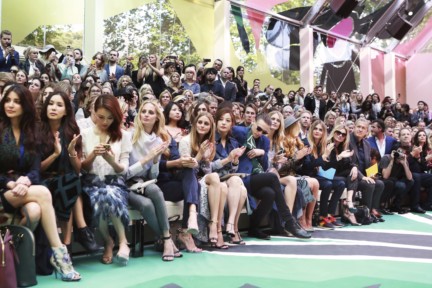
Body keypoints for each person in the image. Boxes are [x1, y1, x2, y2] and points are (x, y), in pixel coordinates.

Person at [0, 84, 80, 281]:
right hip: (4, 188)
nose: (10, 105)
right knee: (44, 193)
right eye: (7, 100)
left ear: (25, 105)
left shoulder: (32, 132)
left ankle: (15, 257)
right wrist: (10, 183)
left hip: (22, 189)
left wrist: (26, 180)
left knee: (35, 210)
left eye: (17, 101)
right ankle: (61, 257)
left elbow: (35, 170)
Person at [232, 114, 311, 239]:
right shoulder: (239, 131)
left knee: (270, 193)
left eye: (264, 131)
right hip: (240, 176)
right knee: (273, 178)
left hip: (256, 177)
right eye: (258, 129)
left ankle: (254, 228)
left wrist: (262, 152)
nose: (260, 133)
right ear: (253, 122)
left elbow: (263, 166)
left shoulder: (265, 141)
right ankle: (288, 221)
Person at [39, 90, 99, 253]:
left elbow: (78, 168)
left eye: (59, 105)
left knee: (70, 182)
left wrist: (72, 151)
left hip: (66, 180)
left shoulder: (72, 131)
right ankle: (79, 232)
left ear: (66, 110)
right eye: (50, 104)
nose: (53, 108)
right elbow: (36, 169)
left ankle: (67, 244)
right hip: (42, 182)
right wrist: (55, 154)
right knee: (71, 184)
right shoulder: (37, 130)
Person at [127, 100, 182, 261]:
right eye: (143, 111)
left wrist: (156, 160)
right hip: (125, 184)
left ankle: (165, 239)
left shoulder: (158, 141)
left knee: (156, 190)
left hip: (143, 183)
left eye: (151, 112)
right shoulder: (129, 136)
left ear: (157, 118)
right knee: (146, 204)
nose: (146, 115)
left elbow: (153, 177)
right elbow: (124, 174)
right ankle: (167, 240)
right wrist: (146, 159)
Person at [80, 95, 131, 266]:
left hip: (115, 182)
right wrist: (93, 154)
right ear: (93, 113)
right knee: (100, 196)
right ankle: (110, 240)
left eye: (110, 118)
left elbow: (124, 168)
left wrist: (111, 161)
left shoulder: (124, 135)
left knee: (109, 193)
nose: (105, 122)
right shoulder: (85, 134)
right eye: (101, 117)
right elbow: (83, 168)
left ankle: (122, 241)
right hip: (91, 182)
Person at [179, 112, 227, 247]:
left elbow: (208, 168)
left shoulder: (209, 143)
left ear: (211, 127)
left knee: (222, 186)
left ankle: (216, 229)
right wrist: (200, 154)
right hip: (189, 180)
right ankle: (214, 227)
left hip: (204, 178)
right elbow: (188, 169)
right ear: (195, 124)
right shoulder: (185, 141)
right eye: (200, 122)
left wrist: (229, 159)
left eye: (206, 124)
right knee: (215, 178)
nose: (202, 126)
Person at [212, 107, 247, 244]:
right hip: (213, 177)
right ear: (215, 122)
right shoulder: (210, 140)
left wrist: (236, 159)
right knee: (238, 183)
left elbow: (234, 168)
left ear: (232, 124)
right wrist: (228, 159)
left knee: (242, 189)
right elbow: (209, 166)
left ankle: (232, 224)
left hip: (228, 178)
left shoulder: (233, 142)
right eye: (220, 119)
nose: (223, 123)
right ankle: (233, 227)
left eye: (227, 120)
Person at [303, 120, 346, 229]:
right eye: (315, 129)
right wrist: (323, 157)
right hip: (307, 175)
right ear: (312, 130)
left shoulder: (322, 146)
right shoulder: (306, 143)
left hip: (317, 175)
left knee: (340, 183)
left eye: (320, 130)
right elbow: (307, 166)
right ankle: (322, 218)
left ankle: (330, 215)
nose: (317, 131)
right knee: (327, 184)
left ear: (323, 133)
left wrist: (338, 157)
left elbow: (326, 167)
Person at [349, 118, 385, 219]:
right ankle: (366, 213)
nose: (360, 129)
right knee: (369, 184)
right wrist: (363, 177)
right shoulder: (347, 141)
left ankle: (374, 209)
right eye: (358, 127)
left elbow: (368, 163)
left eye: (363, 128)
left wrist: (372, 174)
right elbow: (350, 163)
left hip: (363, 175)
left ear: (366, 132)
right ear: (354, 128)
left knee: (380, 184)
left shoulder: (366, 144)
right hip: (351, 175)